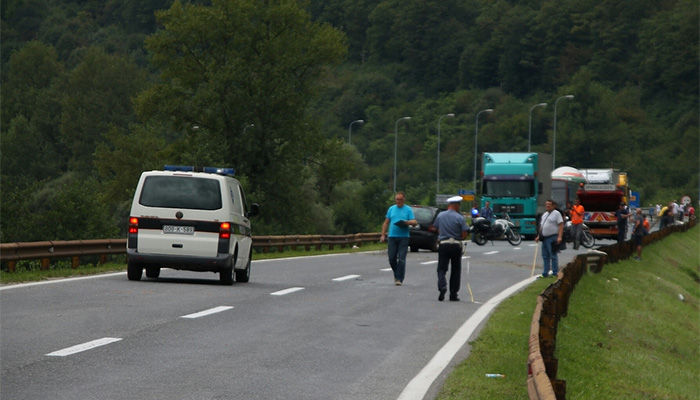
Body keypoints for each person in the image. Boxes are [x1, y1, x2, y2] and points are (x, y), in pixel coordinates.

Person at [433, 196, 469, 301]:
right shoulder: (460, 217)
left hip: (443, 244)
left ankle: (442, 286)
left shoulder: (440, 215)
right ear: (456, 205)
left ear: (449, 205)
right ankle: (453, 294)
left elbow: (437, 229)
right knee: (456, 270)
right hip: (456, 245)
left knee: (441, 268)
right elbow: (464, 234)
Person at [380, 192, 417, 286]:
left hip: (403, 237)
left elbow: (414, 222)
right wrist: (383, 234)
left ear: (404, 200)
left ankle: (399, 278)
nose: (399, 201)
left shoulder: (408, 209)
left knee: (401, 258)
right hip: (392, 236)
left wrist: (408, 222)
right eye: (397, 199)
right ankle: (397, 273)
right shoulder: (391, 209)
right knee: (391, 258)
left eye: (400, 200)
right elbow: (386, 222)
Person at [535, 199, 564, 278]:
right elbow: (542, 226)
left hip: (552, 237)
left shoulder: (556, 214)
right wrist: (538, 236)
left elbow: (561, 225)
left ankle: (555, 273)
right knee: (545, 256)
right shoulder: (545, 214)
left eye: (549, 204)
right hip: (544, 238)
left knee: (553, 255)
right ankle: (545, 273)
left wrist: (560, 236)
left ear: (553, 205)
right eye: (547, 204)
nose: (547, 206)